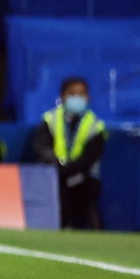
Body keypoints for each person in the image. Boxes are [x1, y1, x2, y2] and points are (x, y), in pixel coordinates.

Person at [34, 77, 108, 229]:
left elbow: (90, 156)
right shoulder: (50, 119)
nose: (77, 98)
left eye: (81, 94)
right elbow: (41, 146)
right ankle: (61, 227)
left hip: (83, 175)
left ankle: (96, 231)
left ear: (88, 97)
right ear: (62, 97)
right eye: (72, 94)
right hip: (55, 173)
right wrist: (59, 164)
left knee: (88, 192)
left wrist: (71, 168)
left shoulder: (95, 125)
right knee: (58, 189)